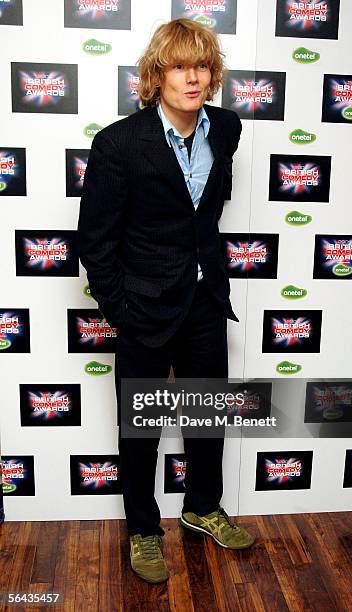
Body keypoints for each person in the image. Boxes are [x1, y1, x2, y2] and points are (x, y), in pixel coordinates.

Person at [77, 18, 255, 584]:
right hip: (144, 310)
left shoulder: (226, 129)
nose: (193, 76)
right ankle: (144, 531)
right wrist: (122, 310)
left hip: (205, 302)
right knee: (142, 430)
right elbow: (95, 242)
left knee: (207, 419)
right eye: (179, 65)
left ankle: (202, 506)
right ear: (157, 75)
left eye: (202, 65)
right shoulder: (118, 145)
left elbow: (202, 211)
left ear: (214, 72)